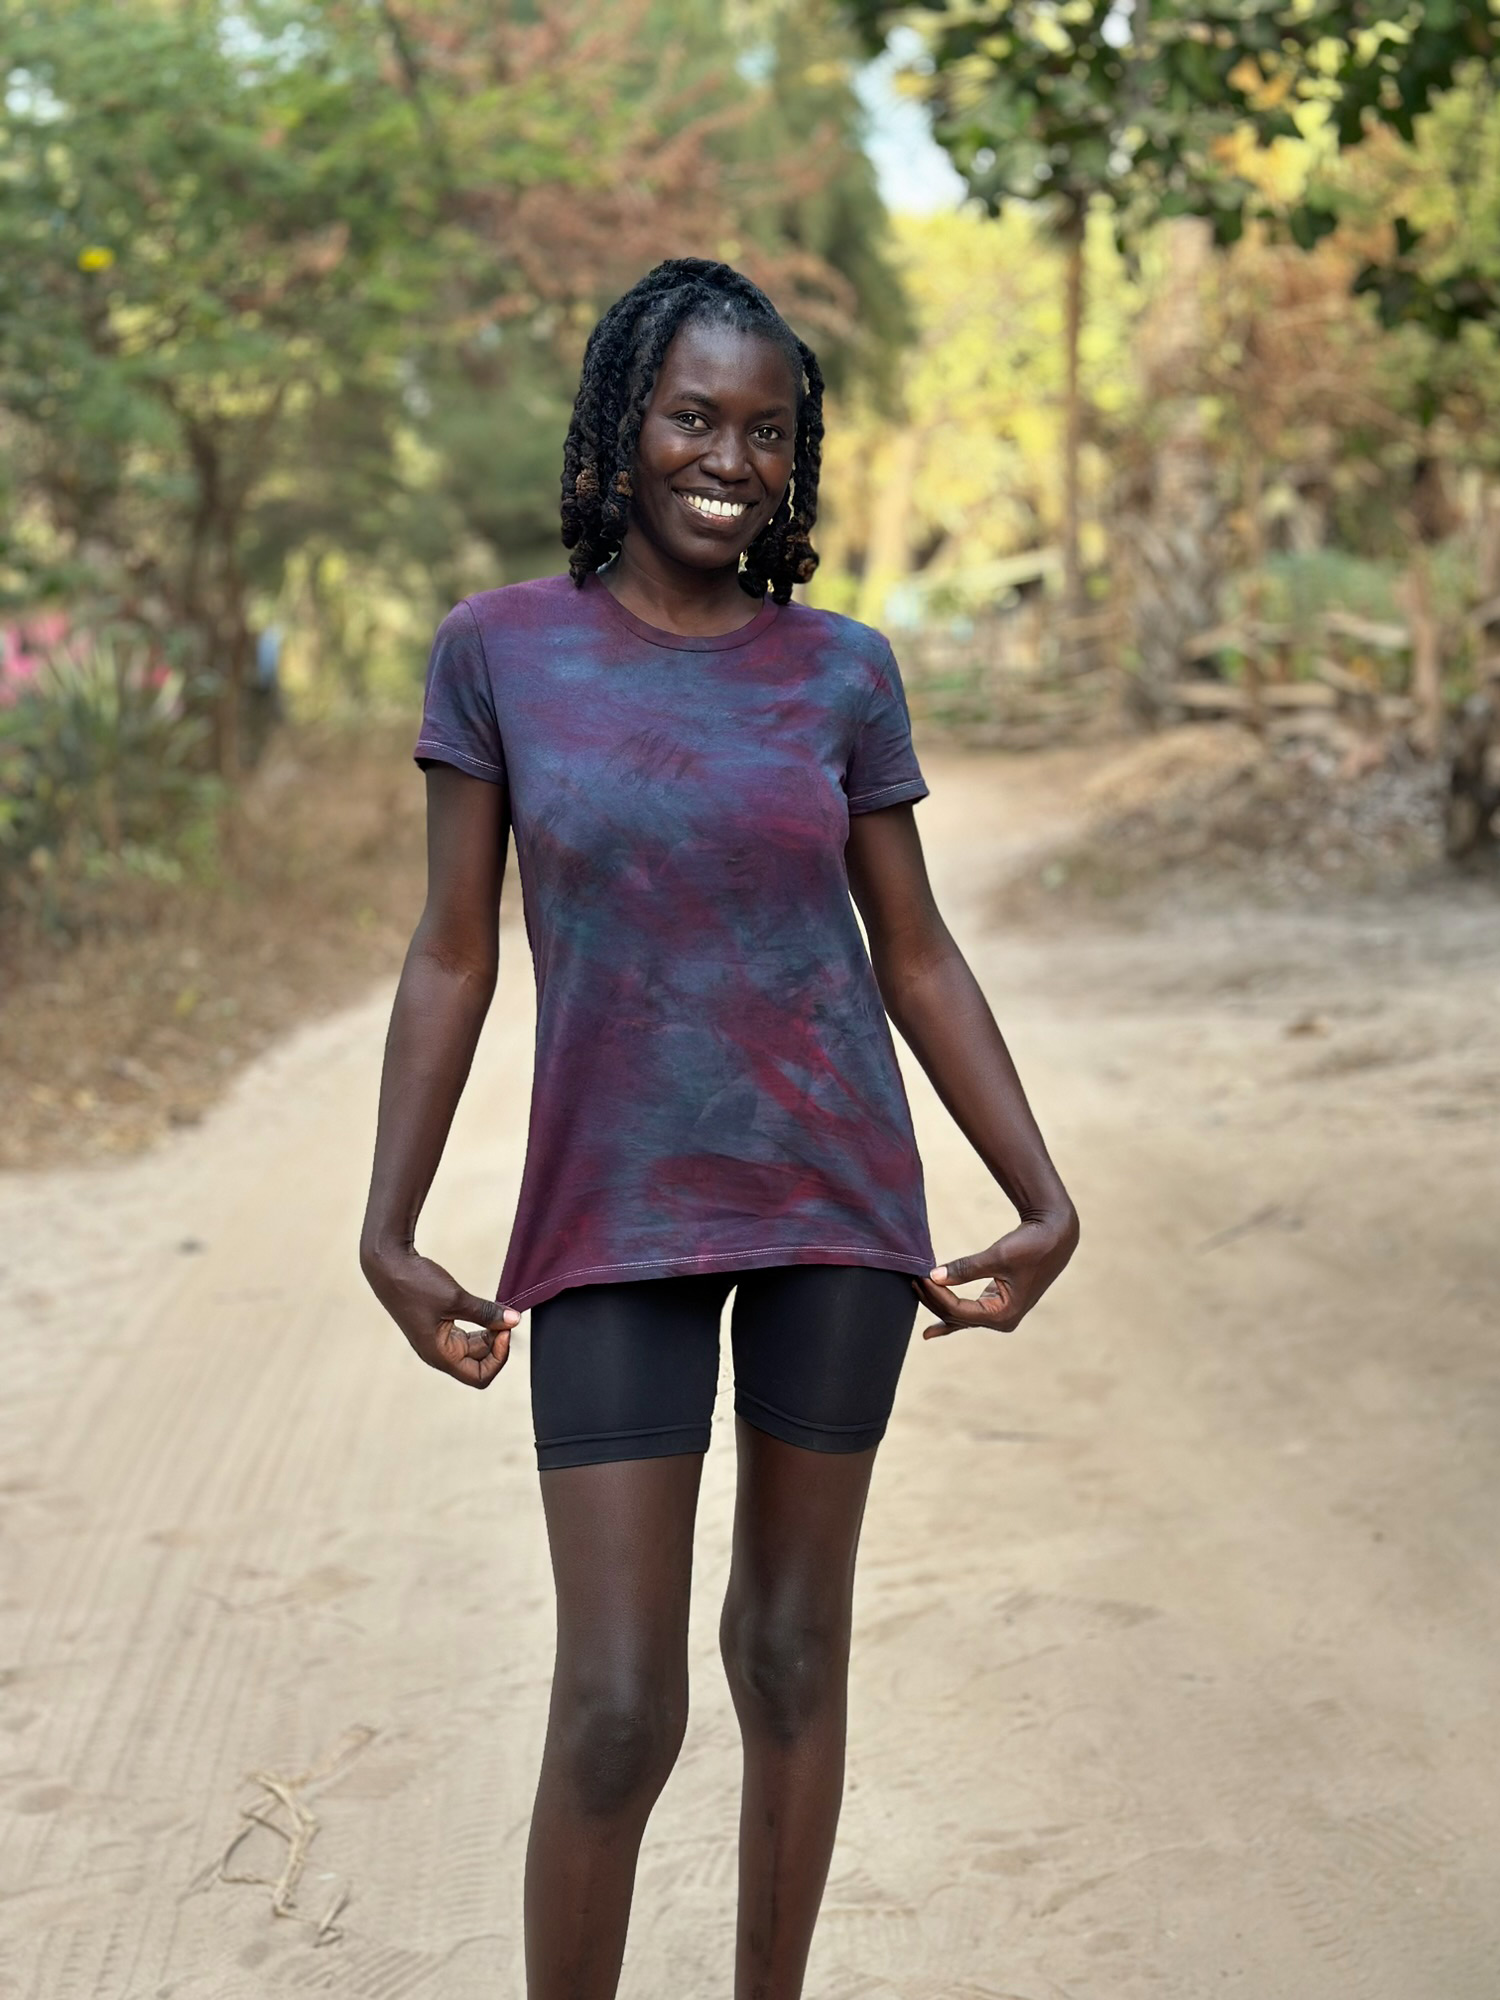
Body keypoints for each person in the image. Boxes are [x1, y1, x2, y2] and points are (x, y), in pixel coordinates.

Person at [360, 257, 1079, 2000]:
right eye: (694, 417)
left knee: (790, 1655)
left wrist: (1041, 1195)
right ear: (624, 425)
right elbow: (453, 952)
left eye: (769, 432)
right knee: (618, 1707)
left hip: (837, 1200)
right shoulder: (500, 652)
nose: (730, 460)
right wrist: (388, 1227)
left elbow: (914, 950)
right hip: (611, 1215)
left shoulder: (842, 672)